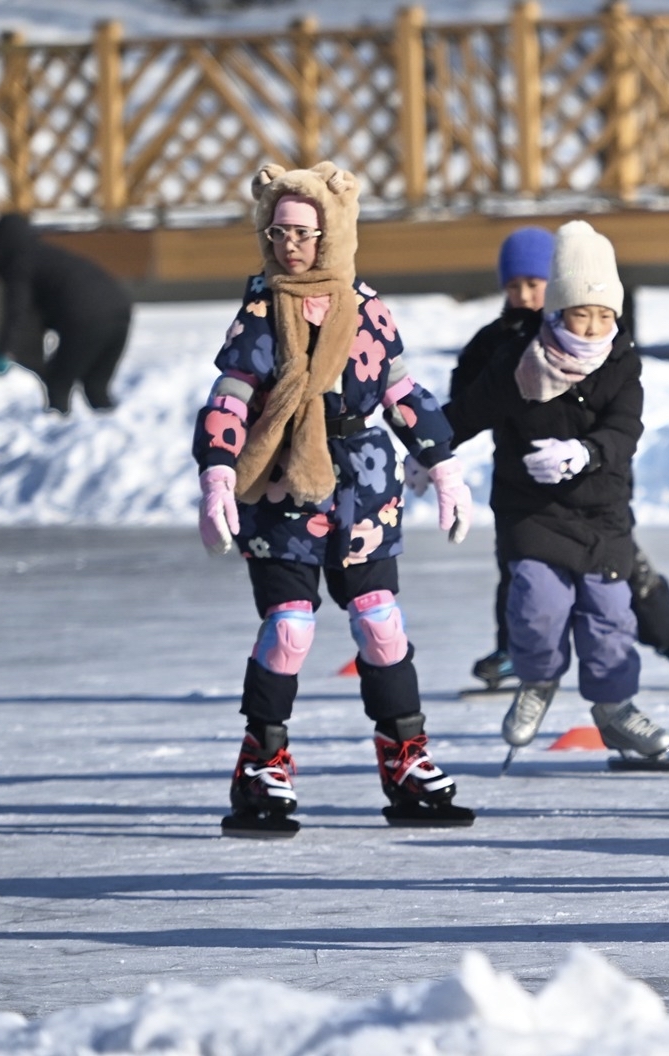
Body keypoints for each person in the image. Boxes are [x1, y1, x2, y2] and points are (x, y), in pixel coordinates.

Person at [192, 162, 478, 836]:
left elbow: (403, 393)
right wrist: (218, 474)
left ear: (332, 233)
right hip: (282, 485)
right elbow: (230, 397)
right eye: (278, 231)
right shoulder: (262, 310)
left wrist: (443, 465)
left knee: (380, 622)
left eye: (303, 232)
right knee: (289, 629)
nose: (290, 244)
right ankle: (261, 762)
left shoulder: (367, 308)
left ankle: (406, 758)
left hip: (363, 486)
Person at [445, 221, 669, 771]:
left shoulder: (621, 360)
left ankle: (615, 708)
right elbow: (466, 411)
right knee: (536, 604)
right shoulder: (515, 357)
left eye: (604, 314)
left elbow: (625, 429)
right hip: (533, 510)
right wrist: (425, 451)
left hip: (602, 511)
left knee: (610, 618)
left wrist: (586, 452)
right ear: (557, 311)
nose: (594, 326)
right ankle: (536, 682)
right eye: (581, 314)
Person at [0, 213, 133, 414]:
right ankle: (116, 429)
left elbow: (17, 311)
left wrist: (4, 351)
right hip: (120, 311)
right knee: (96, 387)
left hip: (87, 318)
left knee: (58, 384)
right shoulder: (46, 255)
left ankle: (57, 428)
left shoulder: (20, 262)